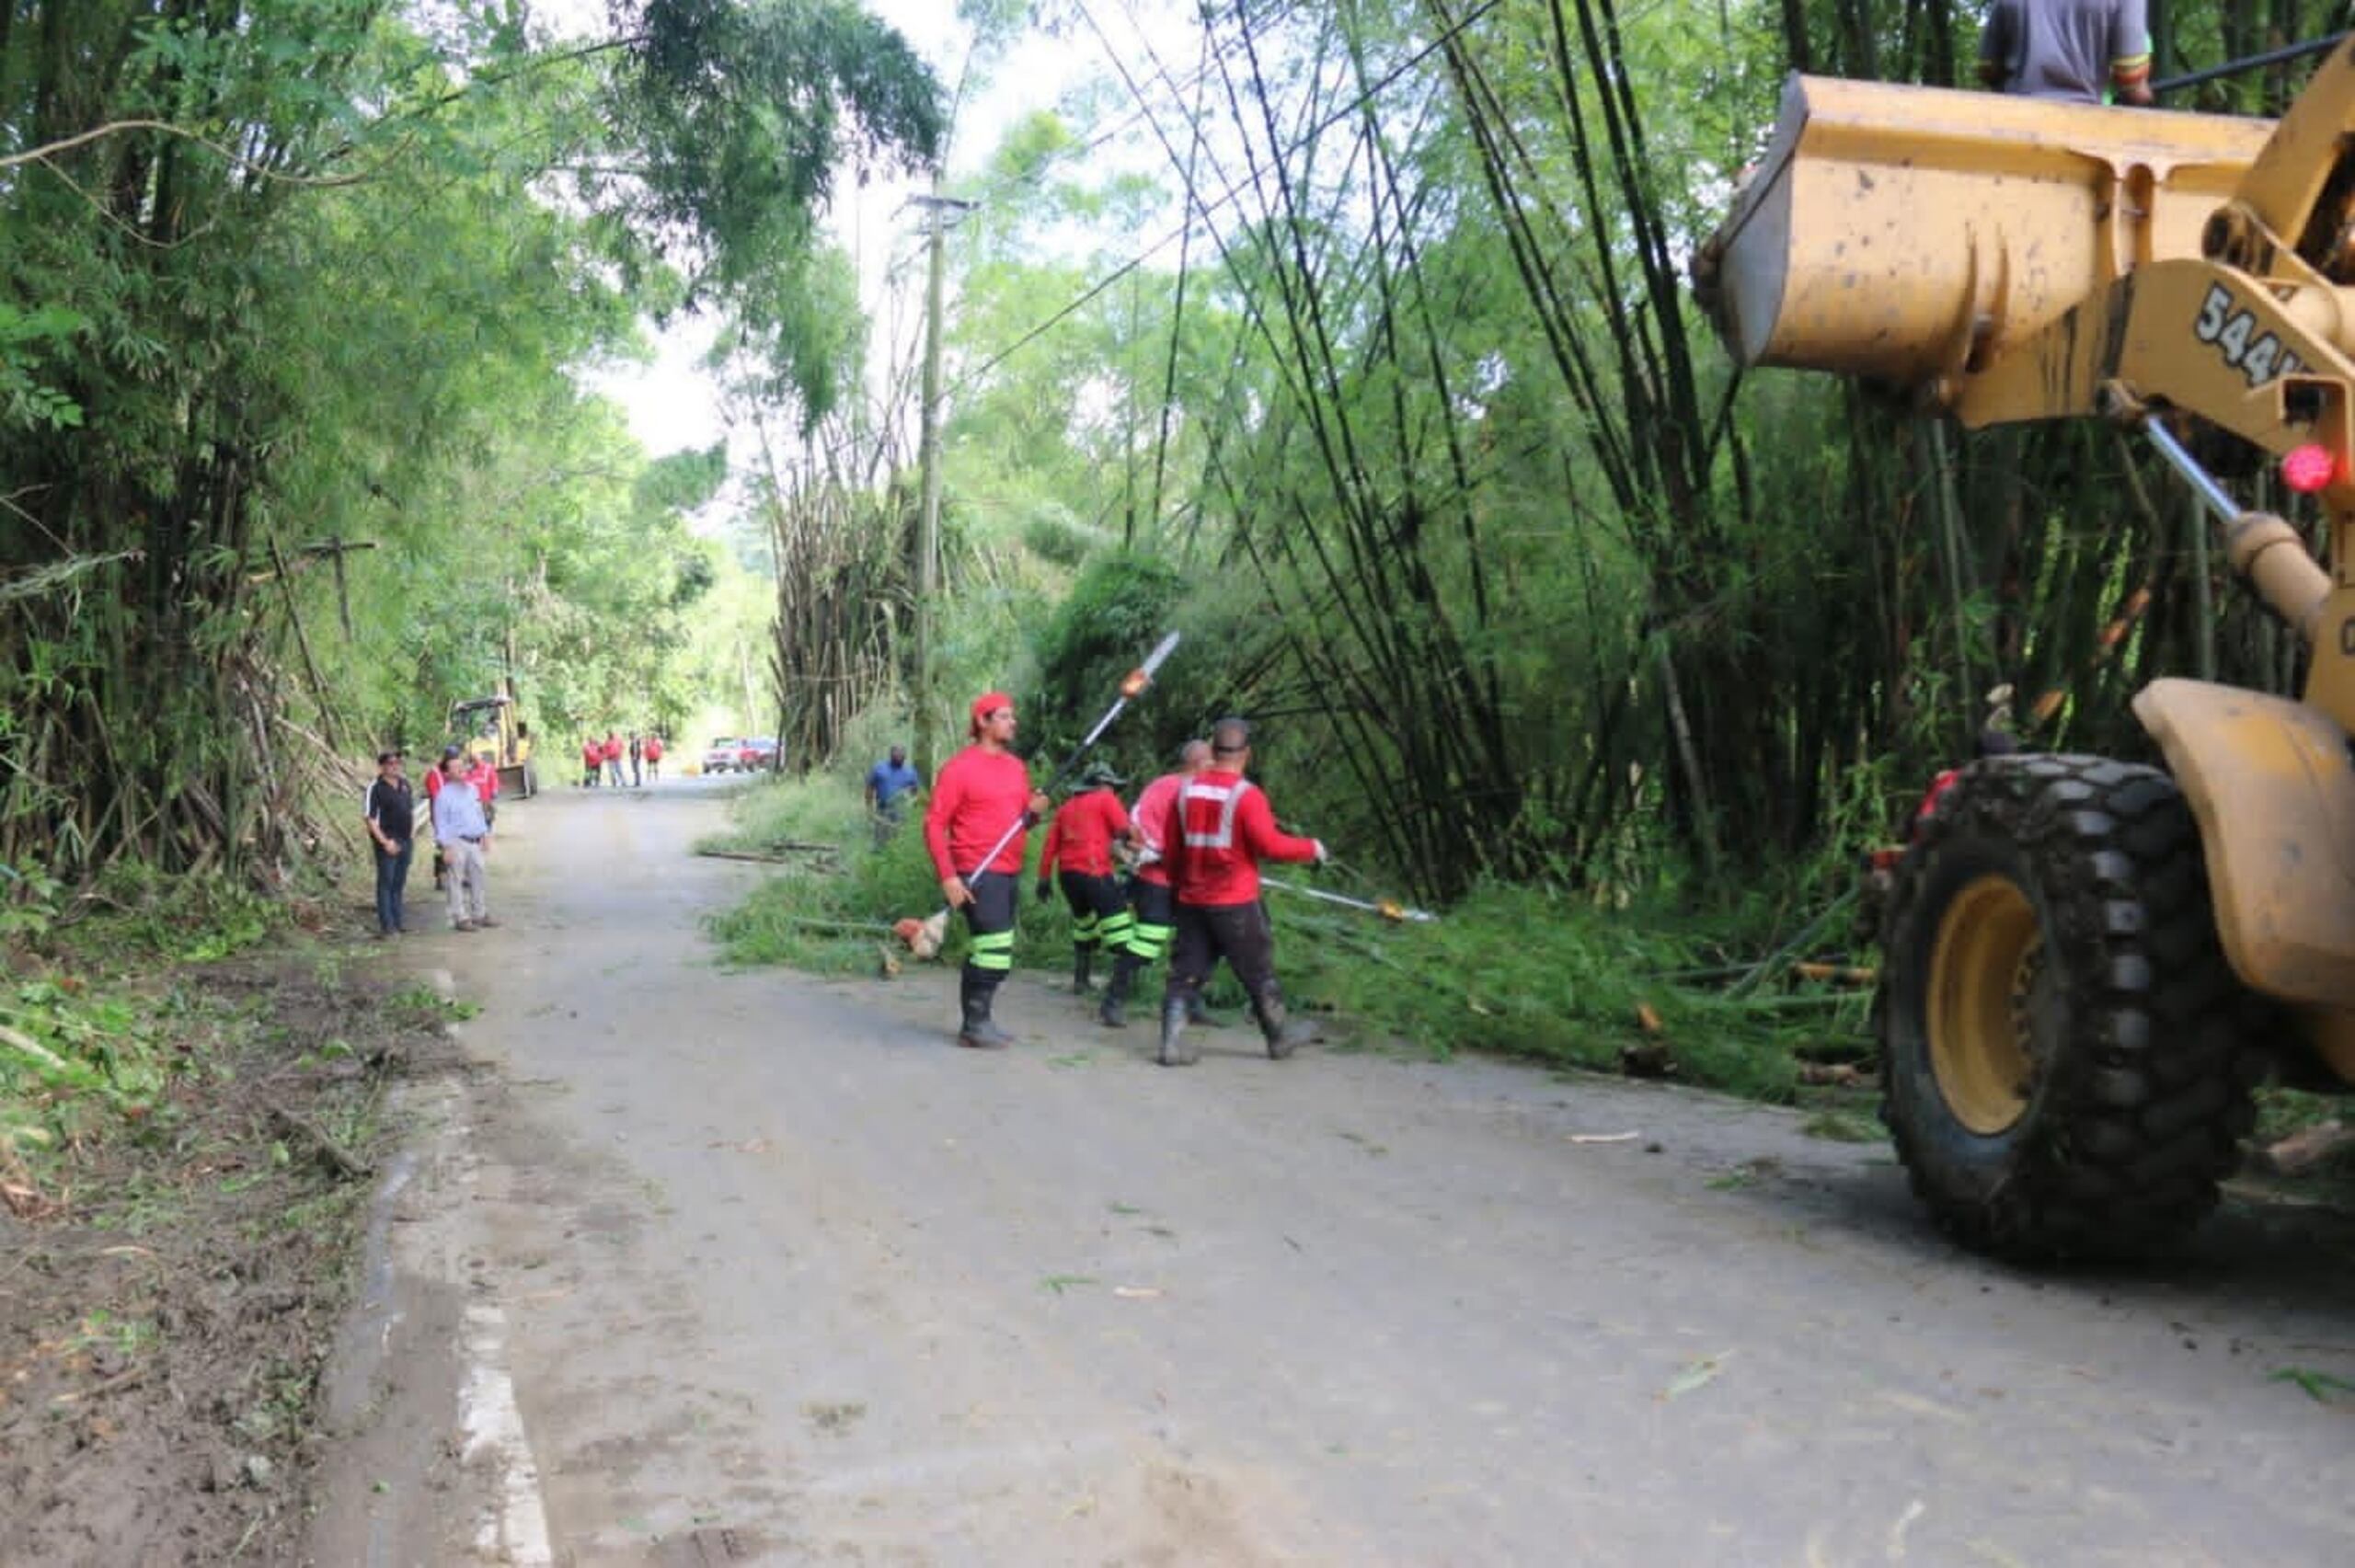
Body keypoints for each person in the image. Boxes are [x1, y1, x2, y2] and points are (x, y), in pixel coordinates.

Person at [1155, 717, 1327, 1068]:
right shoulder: (1246, 796)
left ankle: (1171, 1044)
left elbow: (1172, 849)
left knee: (1186, 972)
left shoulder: (1185, 791)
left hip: (1191, 900)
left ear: (1213, 750)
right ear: (1246, 753)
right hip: (1234, 903)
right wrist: (1312, 848)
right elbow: (1271, 844)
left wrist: (1177, 886)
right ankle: (1278, 1038)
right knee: (1258, 972)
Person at [924, 692, 1051, 1049]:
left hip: (1008, 869)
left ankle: (979, 1020)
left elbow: (1020, 823)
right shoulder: (959, 769)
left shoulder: (1015, 768)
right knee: (993, 949)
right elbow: (934, 825)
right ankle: (975, 1024)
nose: (1014, 722)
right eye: (1005, 717)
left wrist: (1036, 811)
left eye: (1013, 716)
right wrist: (948, 876)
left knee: (995, 949)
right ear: (983, 720)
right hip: (975, 870)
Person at [1098, 740, 1212, 1028]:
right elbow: (1138, 826)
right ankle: (1113, 1000)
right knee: (1148, 943)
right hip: (1157, 880)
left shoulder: (1207, 793)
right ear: (1199, 763)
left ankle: (1190, 1002)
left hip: (1191, 882)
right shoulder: (1163, 788)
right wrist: (1152, 850)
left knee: (1202, 940)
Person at [1036, 762, 1133, 995]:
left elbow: (1050, 846)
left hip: (1068, 877)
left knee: (1084, 925)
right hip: (1094, 871)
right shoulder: (1105, 799)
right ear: (1104, 784)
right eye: (1112, 787)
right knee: (1120, 929)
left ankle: (1081, 980)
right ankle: (1121, 991)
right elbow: (1124, 830)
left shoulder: (1065, 808)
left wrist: (1044, 878)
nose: (1113, 792)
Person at [1976, 0, 2153, 104]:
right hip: (2083, 124)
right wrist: (2147, 95)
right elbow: (2130, 78)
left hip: (2016, 122)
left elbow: (1987, 68)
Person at [431, 750, 497, 933]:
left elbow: (478, 813)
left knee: (478, 876)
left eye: (461, 765)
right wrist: (446, 846)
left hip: (474, 840)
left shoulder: (472, 789)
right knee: (456, 880)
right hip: (456, 841)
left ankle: (480, 913)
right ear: (447, 773)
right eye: (455, 767)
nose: (461, 769)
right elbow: (440, 823)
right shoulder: (443, 796)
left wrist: (485, 834)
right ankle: (459, 916)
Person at [363, 749, 416, 938]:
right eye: (390, 763)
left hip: (405, 841)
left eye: (397, 763)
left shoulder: (405, 785)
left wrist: (411, 835)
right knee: (386, 883)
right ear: (382, 766)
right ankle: (387, 926)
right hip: (387, 842)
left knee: (399, 883)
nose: (395, 766)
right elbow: (370, 819)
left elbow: (410, 811)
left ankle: (398, 921)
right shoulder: (375, 788)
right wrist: (385, 842)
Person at [865, 744, 922, 848]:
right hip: (882, 811)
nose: (899, 755)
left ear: (905, 756)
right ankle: (878, 858)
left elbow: (916, 792)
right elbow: (870, 787)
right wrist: (869, 808)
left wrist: (912, 807)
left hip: (901, 813)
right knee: (880, 842)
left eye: (902, 753)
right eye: (896, 752)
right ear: (891, 754)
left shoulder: (911, 772)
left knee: (900, 842)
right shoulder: (879, 768)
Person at [423, 743, 458, 889]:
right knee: (443, 846)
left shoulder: (453, 771)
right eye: (450, 759)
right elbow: (436, 796)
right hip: (441, 817)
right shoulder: (434, 773)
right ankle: (441, 878)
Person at [465, 749, 500, 830]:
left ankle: (487, 836)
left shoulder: (488, 768)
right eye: (473, 760)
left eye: (477, 760)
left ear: (481, 758)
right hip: (473, 803)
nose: (475, 762)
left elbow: (494, 780)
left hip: (486, 802)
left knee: (487, 823)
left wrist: (495, 790)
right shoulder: (469, 771)